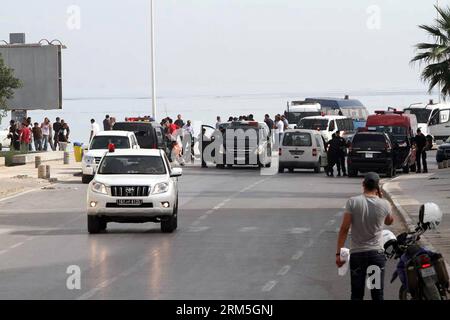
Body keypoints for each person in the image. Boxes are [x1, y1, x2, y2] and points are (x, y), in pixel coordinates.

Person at [336, 172, 394, 301]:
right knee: (377, 294)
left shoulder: (353, 202)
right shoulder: (384, 204)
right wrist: (382, 199)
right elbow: (389, 221)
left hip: (358, 255)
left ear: (363, 184)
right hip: (376, 255)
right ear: (378, 187)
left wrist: (338, 254)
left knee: (357, 294)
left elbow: (344, 228)